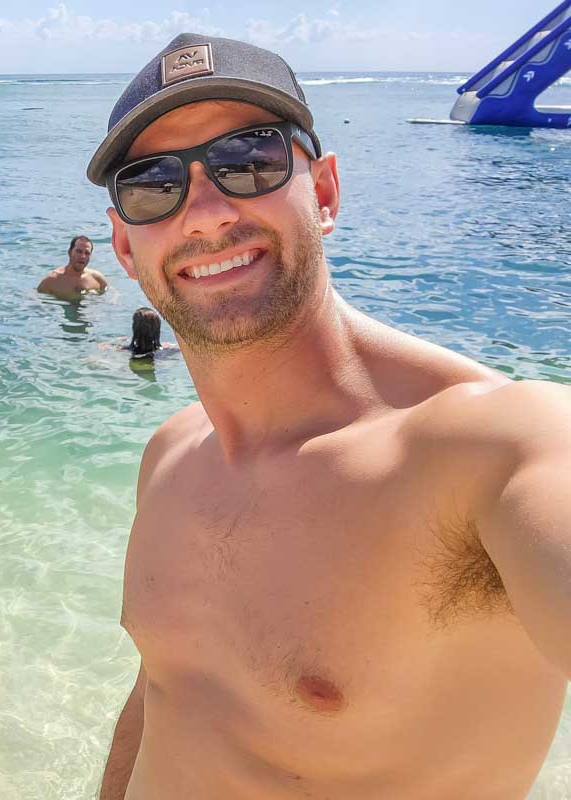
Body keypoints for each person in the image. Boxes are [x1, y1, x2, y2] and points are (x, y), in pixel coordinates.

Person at [85, 33, 571, 799]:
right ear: (124, 244)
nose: (206, 212)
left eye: (251, 159)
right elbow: (163, 696)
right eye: (153, 185)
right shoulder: (170, 456)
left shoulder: (494, 452)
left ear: (326, 192)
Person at [37, 235, 108, 300]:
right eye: (79, 251)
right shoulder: (52, 280)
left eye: (87, 253)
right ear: (70, 252)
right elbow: (36, 298)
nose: (83, 256)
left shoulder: (97, 279)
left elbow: (112, 294)